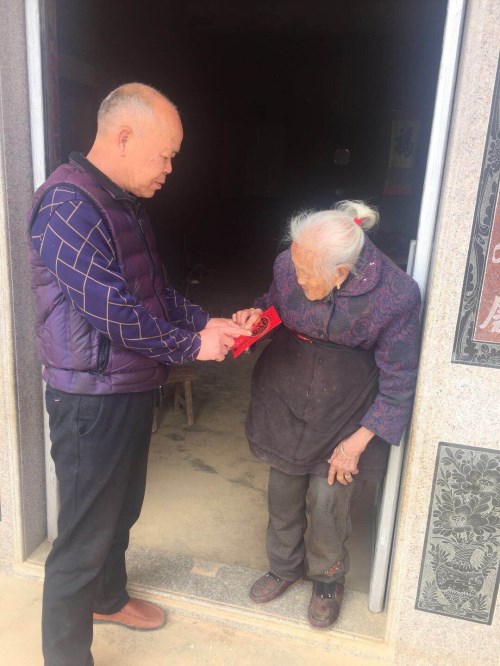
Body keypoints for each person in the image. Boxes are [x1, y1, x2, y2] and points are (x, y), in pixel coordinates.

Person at [28, 82, 249, 666]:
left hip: (128, 386)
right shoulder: (67, 206)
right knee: (82, 537)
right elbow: (112, 311)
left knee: (120, 510)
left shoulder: (122, 203)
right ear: (124, 137)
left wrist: (205, 321)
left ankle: (107, 599)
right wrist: (191, 345)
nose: (171, 169)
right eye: (166, 154)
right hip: (90, 399)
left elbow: (153, 294)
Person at [233, 200, 421, 629]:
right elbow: (274, 303)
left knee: (328, 502)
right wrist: (256, 316)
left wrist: (358, 442)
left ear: (340, 273)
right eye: (295, 268)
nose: (296, 278)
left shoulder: (396, 295)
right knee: (282, 492)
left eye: (306, 275)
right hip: (285, 393)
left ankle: (327, 580)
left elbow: (400, 380)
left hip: (346, 408)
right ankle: (283, 567)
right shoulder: (291, 263)